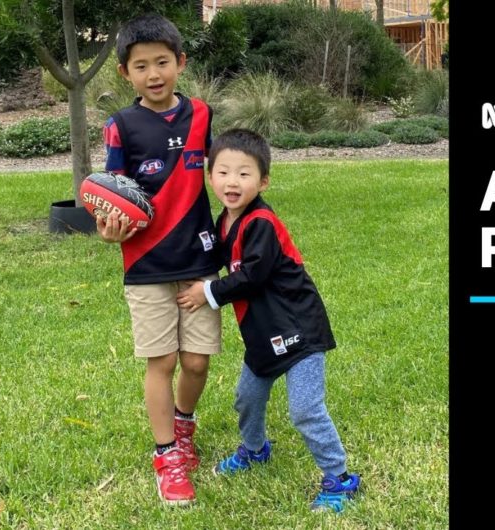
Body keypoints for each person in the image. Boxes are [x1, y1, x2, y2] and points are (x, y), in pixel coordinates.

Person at [177, 129, 361, 513]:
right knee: (247, 398)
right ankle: (255, 450)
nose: (232, 182)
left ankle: (340, 478)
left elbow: (253, 276)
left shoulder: (261, 222)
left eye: (244, 174)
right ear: (210, 177)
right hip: (263, 336)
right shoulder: (226, 221)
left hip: (300, 331)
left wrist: (207, 292)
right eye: (223, 172)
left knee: (305, 409)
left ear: (263, 182)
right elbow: (212, 255)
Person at [97, 13, 219, 506]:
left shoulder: (203, 115)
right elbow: (111, 194)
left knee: (197, 361)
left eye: (162, 62)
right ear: (125, 72)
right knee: (163, 359)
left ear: (180, 63)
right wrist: (108, 226)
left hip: (200, 259)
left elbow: (221, 176)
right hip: (146, 264)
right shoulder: (120, 126)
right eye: (141, 65)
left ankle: (184, 425)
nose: (154, 74)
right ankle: (166, 455)